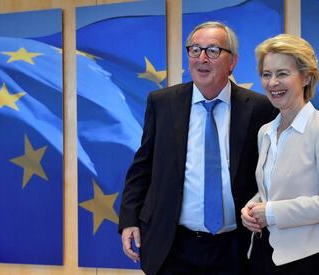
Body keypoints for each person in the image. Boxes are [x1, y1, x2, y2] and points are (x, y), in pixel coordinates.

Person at [118, 21, 277, 275]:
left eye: (213, 51)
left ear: (232, 61)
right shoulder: (162, 103)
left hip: (237, 247)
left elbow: (274, 171)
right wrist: (128, 219)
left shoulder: (259, 108)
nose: (202, 58)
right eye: (195, 50)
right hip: (173, 245)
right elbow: (143, 166)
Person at [240, 33, 319, 275]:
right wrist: (251, 208)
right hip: (261, 255)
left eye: (282, 74)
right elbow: (270, 190)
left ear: (306, 77)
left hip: (306, 261)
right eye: (266, 74)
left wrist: (270, 212)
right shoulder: (265, 131)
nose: (272, 83)